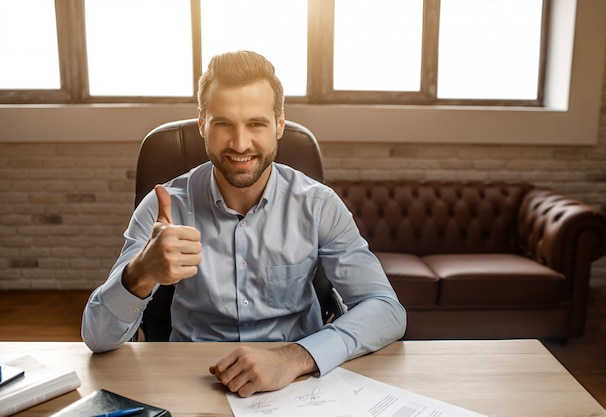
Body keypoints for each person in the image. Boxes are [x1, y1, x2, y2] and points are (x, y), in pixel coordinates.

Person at [81, 50, 406, 397]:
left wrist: (294, 357)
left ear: (279, 125)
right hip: (193, 382)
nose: (240, 144)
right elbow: (98, 338)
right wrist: (141, 273)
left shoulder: (319, 204)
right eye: (223, 124)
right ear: (202, 125)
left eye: (256, 124)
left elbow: (387, 310)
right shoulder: (164, 206)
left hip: (298, 385)